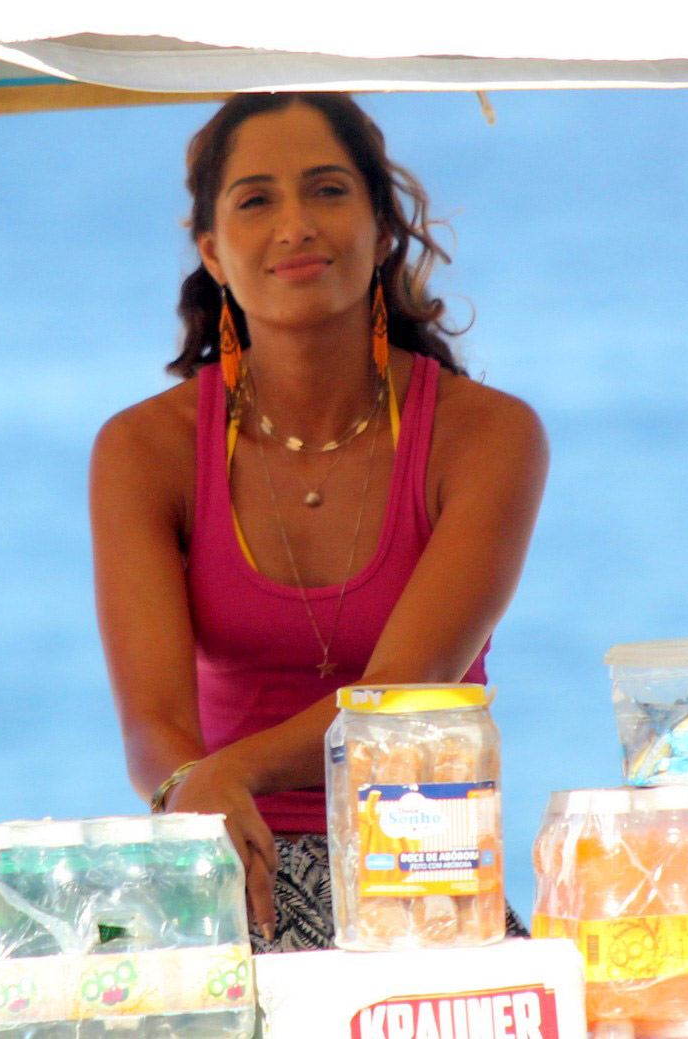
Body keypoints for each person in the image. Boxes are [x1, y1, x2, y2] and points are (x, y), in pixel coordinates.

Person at [88, 92, 548, 951]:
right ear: (212, 253)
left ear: (381, 230)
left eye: (328, 191)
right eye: (256, 200)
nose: (295, 225)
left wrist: (236, 767)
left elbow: (396, 700)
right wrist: (201, 789)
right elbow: (153, 728)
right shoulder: (142, 450)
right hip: (234, 873)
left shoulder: (489, 434)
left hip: (427, 880)